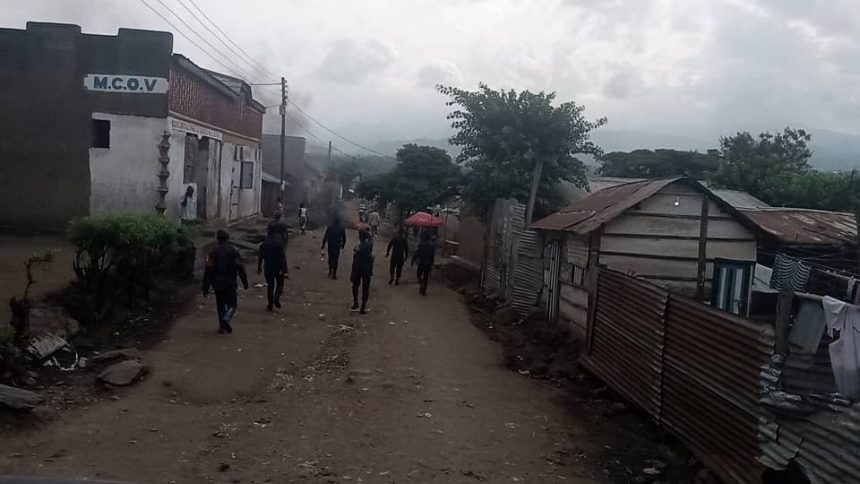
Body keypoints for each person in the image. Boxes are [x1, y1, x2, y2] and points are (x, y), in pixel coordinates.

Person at [202, 229, 249, 334]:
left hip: (217, 284)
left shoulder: (213, 253)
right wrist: (245, 282)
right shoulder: (234, 251)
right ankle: (227, 318)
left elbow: (208, 270)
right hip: (230, 283)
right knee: (232, 305)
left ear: (217, 239)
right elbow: (240, 267)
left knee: (220, 305)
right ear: (228, 238)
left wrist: (205, 286)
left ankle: (222, 327)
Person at [258, 225, 288, 311]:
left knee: (270, 286)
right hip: (278, 267)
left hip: (268, 267)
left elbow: (261, 256)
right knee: (280, 284)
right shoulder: (279, 242)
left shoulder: (265, 243)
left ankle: (270, 304)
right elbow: (283, 256)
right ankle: (276, 297)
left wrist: (259, 266)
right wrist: (284, 268)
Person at [351, 229, 374, 314]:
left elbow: (354, 260)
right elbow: (371, 241)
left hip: (357, 269)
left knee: (355, 286)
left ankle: (355, 302)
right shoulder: (368, 246)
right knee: (365, 288)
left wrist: (352, 272)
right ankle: (363, 306)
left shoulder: (357, 247)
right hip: (366, 269)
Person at [411, 231, 436, 296]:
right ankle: (424, 290)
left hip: (421, 263)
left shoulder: (420, 245)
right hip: (428, 263)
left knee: (419, 275)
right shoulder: (431, 246)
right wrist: (432, 264)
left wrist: (413, 260)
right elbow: (432, 256)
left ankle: (421, 284)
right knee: (426, 276)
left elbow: (416, 253)